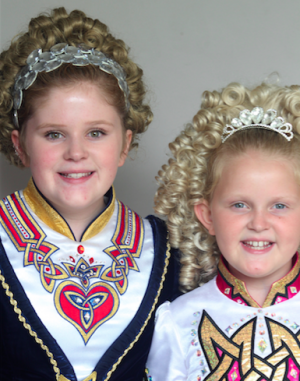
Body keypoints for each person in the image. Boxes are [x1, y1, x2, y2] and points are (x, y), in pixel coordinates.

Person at [0, 8, 180, 381]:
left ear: (125, 144)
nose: (76, 152)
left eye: (96, 132)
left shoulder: (171, 253)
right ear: (20, 145)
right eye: (54, 134)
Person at [146, 82, 300, 380]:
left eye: (279, 206)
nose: (259, 223)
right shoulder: (178, 322)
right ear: (207, 216)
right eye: (240, 204)